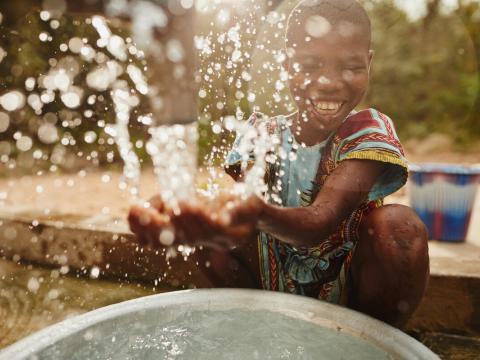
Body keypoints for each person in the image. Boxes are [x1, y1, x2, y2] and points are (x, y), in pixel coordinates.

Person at [129, 0, 429, 328]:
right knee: (212, 225)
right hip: (265, 287)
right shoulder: (260, 133)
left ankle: (375, 342)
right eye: (310, 65)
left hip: (349, 300)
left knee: (400, 226)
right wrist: (190, 217)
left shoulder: (368, 131)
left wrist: (257, 212)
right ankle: (250, 331)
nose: (329, 81)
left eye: (351, 67)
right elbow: (237, 215)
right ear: (286, 64)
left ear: (369, 63)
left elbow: (320, 221)